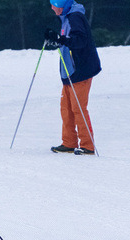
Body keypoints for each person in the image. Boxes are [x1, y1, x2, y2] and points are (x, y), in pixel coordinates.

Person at [44, 0, 101, 155]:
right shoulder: (66, 17)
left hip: (80, 70)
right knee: (66, 108)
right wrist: (56, 39)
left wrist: (61, 40)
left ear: (61, 4)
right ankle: (69, 142)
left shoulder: (75, 17)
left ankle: (87, 146)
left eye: (54, 4)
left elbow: (80, 41)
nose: (51, 7)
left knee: (78, 108)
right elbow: (67, 40)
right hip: (69, 71)